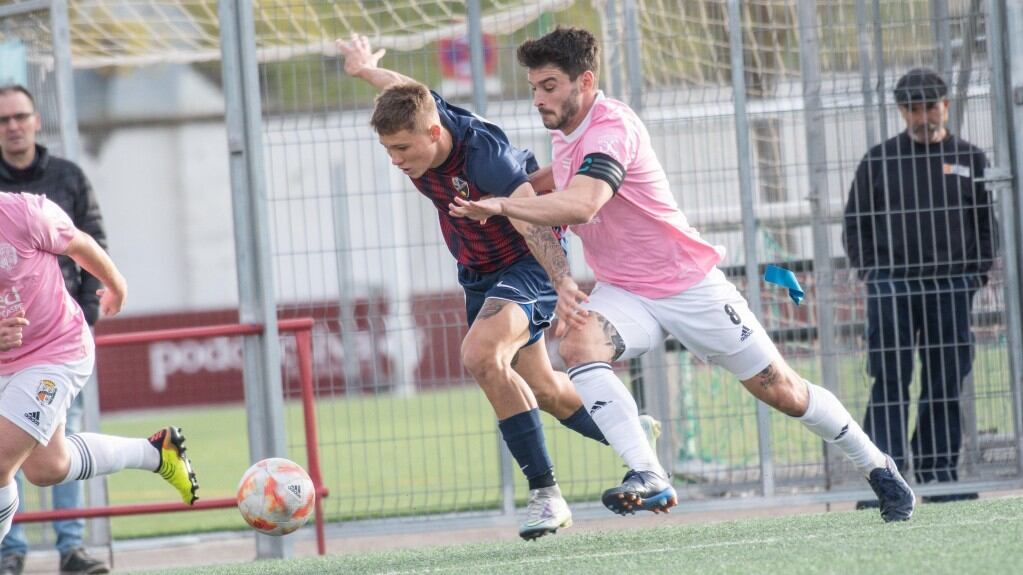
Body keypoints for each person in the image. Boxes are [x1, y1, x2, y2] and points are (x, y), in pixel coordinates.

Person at [449, 26, 915, 522]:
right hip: (626, 290)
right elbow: (554, 180)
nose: (538, 99)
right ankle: (648, 474)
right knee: (580, 346)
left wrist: (503, 204)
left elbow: (585, 203)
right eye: (533, 88)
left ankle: (878, 467)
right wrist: (513, 190)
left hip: (688, 284)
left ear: (584, 82)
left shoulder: (612, 128)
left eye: (549, 87)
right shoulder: (566, 131)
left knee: (782, 389)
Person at [336, 34, 673, 539]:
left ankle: (546, 495)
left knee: (480, 355)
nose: (396, 160)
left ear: (433, 133)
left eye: (402, 148)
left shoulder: (485, 158)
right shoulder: (421, 115)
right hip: (478, 272)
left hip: (527, 263)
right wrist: (365, 70)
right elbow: (404, 86)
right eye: (388, 149)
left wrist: (562, 282)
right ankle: (632, 434)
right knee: (546, 389)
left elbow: (533, 223)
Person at [0, 191, 200, 569]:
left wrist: (117, 283)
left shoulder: (24, 213)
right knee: (48, 468)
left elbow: (79, 243)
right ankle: (156, 452)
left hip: (55, 352)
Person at [843, 68, 996, 506]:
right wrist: (873, 273)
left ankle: (939, 473)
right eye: (912, 108)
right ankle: (885, 476)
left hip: (951, 286)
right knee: (889, 378)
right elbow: (856, 225)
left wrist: (974, 275)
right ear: (901, 111)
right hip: (892, 286)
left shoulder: (971, 158)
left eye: (929, 106)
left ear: (945, 105)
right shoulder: (879, 160)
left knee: (946, 378)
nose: (921, 116)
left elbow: (987, 225)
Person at [0, 83, 109, 575]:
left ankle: (69, 546)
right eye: (3, 119)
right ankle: (156, 452)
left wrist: (97, 300)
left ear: (36, 120)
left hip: (56, 344)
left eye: (20, 115)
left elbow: (87, 239)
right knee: (47, 464)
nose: (13, 125)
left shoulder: (48, 190)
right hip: (7, 352)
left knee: (3, 455)